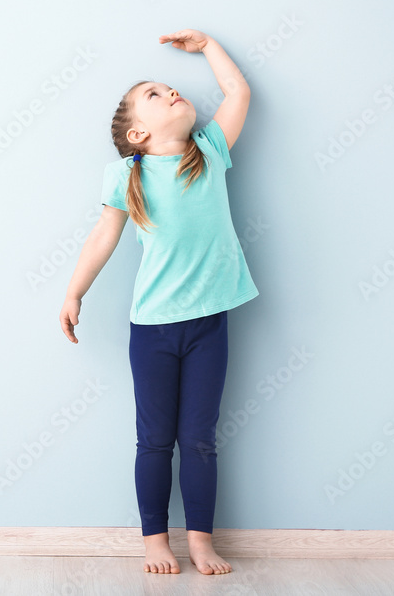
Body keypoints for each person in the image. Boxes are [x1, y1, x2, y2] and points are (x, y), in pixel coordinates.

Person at [58, 29, 260, 576]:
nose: (170, 91)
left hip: (208, 325)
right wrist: (76, 291)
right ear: (138, 132)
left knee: (199, 440)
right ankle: (154, 541)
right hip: (152, 330)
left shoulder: (210, 152)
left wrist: (208, 47)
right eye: (154, 93)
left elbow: (238, 93)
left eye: (169, 86)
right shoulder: (129, 175)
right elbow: (103, 236)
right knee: (155, 441)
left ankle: (199, 540)